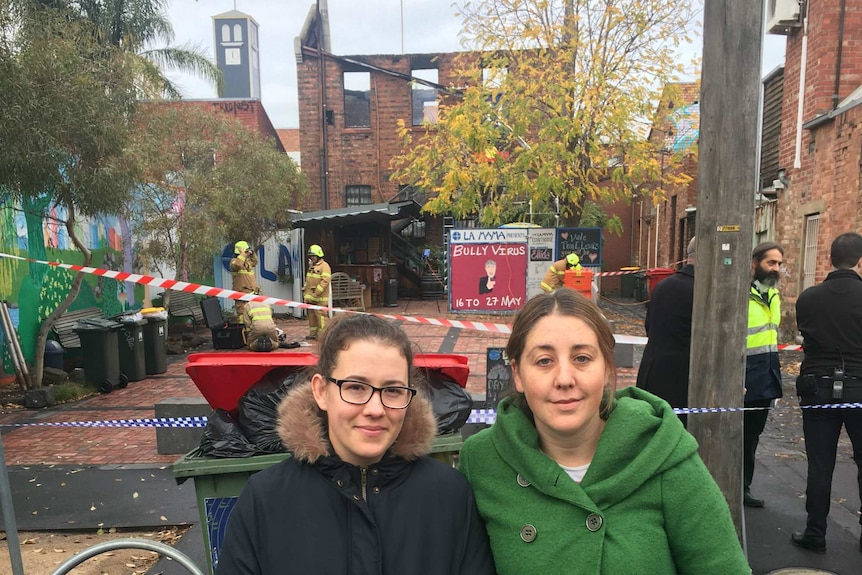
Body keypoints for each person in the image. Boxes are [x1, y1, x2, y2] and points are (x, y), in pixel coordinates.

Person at [459, 289, 749, 574]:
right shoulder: (483, 461)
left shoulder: (662, 456)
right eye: (544, 361)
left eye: (582, 358)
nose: (564, 379)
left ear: (608, 370)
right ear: (518, 375)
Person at [216, 314, 496, 575]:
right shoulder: (266, 499)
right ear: (321, 392)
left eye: (393, 390)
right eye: (355, 387)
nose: (375, 409)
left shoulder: (449, 496)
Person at [791, 232, 862, 553]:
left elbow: (808, 337)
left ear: (830, 258)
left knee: (820, 463)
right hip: (860, 385)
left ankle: (815, 531)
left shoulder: (809, 298)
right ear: (859, 260)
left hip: (818, 386)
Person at [636, 236, 696, 426]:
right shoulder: (702, 291)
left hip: (651, 372)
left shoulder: (663, 285)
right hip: (681, 382)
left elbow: (649, 326)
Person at [743, 241, 785, 508]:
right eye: (771, 262)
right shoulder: (741, 294)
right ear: (754, 264)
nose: (776, 268)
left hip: (766, 376)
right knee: (735, 435)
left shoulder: (772, 294)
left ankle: (743, 487)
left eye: (779, 263)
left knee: (752, 436)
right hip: (745, 376)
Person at [302, 244, 331, 340]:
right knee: (312, 316)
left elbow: (325, 281)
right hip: (311, 297)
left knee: (320, 316)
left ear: (319, 255)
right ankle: (313, 334)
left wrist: (317, 292)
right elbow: (309, 279)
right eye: (311, 256)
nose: (312, 258)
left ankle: (322, 335)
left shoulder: (325, 266)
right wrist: (305, 290)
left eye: (313, 256)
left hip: (320, 297)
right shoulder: (311, 266)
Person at [230, 240, 259, 324]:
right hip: (241, 297)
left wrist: (252, 253)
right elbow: (238, 265)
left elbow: (255, 261)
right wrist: (242, 254)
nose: (247, 254)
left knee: (252, 318)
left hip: (251, 295)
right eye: (246, 251)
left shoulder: (247, 263)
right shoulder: (234, 262)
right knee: (243, 319)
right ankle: (243, 334)